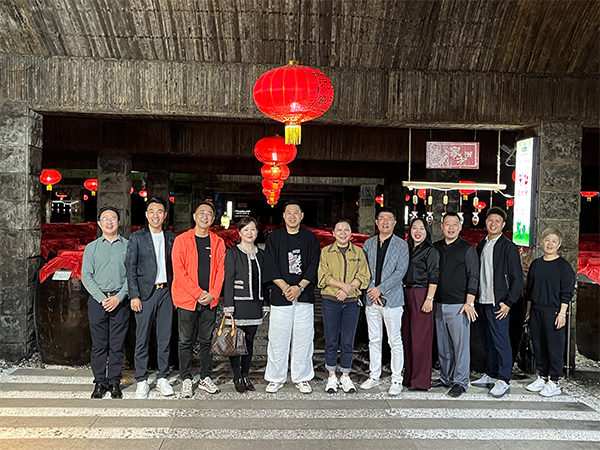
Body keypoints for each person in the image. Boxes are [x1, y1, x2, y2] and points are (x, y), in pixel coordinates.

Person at [263, 200, 320, 394]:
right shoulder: (274, 238)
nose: (292, 216)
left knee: (304, 338)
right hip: (281, 296)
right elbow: (270, 264)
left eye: (296, 212)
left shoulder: (310, 238)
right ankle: (275, 377)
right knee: (277, 338)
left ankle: (302, 377)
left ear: (302, 216)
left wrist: (300, 287)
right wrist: (287, 288)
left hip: (304, 296)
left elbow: (314, 264)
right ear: (284, 216)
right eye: (289, 212)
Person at [172, 201, 226, 398]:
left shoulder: (218, 242)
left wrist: (213, 293)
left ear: (213, 218)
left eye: (209, 214)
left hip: (209, 300)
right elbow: (179, 271)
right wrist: (197, 293)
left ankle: (205, 377)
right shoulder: (182, 240)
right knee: (185, 341)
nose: (205, 217)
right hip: (186, 299)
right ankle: (186, 378)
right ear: (194, 217)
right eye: (201, 213)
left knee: (206, 340)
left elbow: (221, 270)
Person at [126, 197, 177, 399]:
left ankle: (163, 377)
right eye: (152, 211)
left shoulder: (172, 238)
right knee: (142, 337)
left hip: (166, 293)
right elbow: (130, 268)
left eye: (160, 212)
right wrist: (134, 295)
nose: (156, 215)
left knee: (165, 336)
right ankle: (141, 379)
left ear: (165, 215)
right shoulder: (137, 238)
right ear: (146, 215)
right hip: (145, 293)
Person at [472, 207, 523, 398]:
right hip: (482, 301)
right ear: (485, 222)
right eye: (490, 220)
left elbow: (518, 280)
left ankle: (504, 379)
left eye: (497, 221)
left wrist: (508, 302)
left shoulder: (508, 247)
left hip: (498, 303)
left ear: (503, 225)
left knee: (501, 341)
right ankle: (491, 373)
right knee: (487, 340)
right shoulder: (482, 244)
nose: (493, 224)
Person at [318, 218, 370, 394]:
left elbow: (364, 275)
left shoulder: (358, 252)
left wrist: (349, 289)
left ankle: (346, 375)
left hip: (351, 303)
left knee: (348, 340)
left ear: (351, 233)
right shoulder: (326, 252)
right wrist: (342, 287)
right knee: (331, 339)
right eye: (339, 230)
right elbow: (323, 276)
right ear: (333, 233)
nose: (343, 233)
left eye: (346, 229)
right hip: (330, 300)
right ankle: (332, 376)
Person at [360, 207, 409, 396]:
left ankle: (397, 379)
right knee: (374, 339)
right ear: (376, 222)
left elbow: (400, 271)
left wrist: (380, 289)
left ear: (395, 223)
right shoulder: (369, 243)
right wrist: (372, 290)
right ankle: (374, 375)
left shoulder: (401, 245)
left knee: (394, 340)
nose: (385, 222)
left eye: (389, 219)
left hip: (392, 299)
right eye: (382, 218)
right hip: (371, 299)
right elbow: (364, 270)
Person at [82, 206, 129, 399]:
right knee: (99, 344)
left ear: (119, 222)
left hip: (120, 301)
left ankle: (114, 381)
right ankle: (100, 382)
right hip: (98, 301)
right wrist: (103, 299)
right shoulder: (91, 248)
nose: (109, 222)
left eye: (113, 218)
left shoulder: (128, 246)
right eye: (105, 219)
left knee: (117, 344)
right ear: (99, 223)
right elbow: (86, 276)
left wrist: (119, 297)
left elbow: (132, 275)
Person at [432, 212, 479, 398]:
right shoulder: (435, 247)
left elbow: (473, 276)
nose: (450, 227)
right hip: (438, 303)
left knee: (460, 346)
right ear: (442, 227)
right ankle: (446, 377)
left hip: (459, 305)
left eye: (454, 224)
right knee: (443, 345)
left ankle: (460, 381)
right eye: (447, 224)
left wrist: (470, 302)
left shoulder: (467, 249)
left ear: (460, 227)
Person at [525, 228, 575, 397]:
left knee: (554, 346)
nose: (550, 244)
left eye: (554, 241)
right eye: (547, 240)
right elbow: (530, 290)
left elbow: (567, 292)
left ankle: (554, 381)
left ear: (559, 244)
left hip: (554, 312)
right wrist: (528, 311)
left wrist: (562, 314)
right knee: (538, 345)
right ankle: (543, 376)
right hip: (536, 310)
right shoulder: (536, 264)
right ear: (542, 241)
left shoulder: (563, 266)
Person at [223, 216, 270, 393]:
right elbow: (228, 280)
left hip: (255, 304)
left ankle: (245, 374)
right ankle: (237, 376)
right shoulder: (233, 253)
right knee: (236, 341)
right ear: (239, 232)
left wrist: (266, 303)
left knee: (249, 341)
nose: (249, 233)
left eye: (253, 229)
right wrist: (228, 305)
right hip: (238, 304)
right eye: (246, 229)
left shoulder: (262, 255)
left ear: (257, 232)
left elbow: (265, 281)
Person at [402, 217, 439, 391]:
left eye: (421, 228)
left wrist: (429, 298)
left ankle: (421, 381)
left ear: (427, 231)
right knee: (407, 337)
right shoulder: (407, 249)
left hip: (422, 293)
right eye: (414, 228)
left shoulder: (430, 251)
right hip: (405, 293)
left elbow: (434, 275)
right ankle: (409, 377)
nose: (417, 232)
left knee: (420, 340)